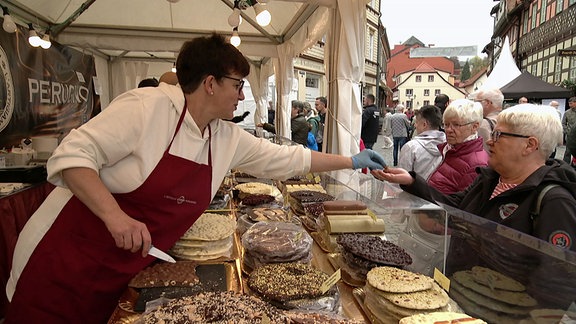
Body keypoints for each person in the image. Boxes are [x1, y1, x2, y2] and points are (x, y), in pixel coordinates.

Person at [5, 33, 387, 323]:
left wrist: (350, 161)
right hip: (64, 260)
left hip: (126, 267)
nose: (241, 96)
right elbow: (71, 157)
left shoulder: (223, 136)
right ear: (209, 83)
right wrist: (115, 216)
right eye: (237, 85)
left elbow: (287, 159)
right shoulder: (148, 108)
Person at [373, 104, 576, 251]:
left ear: (530, 145)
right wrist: (411, 180)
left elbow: (555, 279)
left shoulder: (555, 201)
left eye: (498, 135)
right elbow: (454, 204)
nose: (489, 141)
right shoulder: (490, 179)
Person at [427, 99, 489, 194]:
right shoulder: (451, 150)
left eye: (456, 125)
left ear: (474, 126)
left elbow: (466, 205)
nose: (448, 130)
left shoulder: (476, 164)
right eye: (446, 124)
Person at [398, 105, 446, 180]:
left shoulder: (411, 147)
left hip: (414, 190)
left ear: (424, 124)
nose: (415, 125)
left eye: (416, 122)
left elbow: (402, 178)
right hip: (437, 191)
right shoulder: (448, 145)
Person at [561, 97, 576, 163]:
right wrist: (567, 131)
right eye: (569, 104)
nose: (570, 105)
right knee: (568, 151)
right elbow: (563, 123)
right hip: (570, 136)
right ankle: (565, 165)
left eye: (571, 103)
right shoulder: (567, 112)